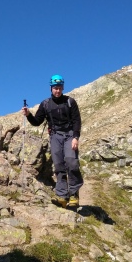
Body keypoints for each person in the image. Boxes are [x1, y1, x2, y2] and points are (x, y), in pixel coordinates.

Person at [22, 75, 83, 209]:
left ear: (63, 88)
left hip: (69, 135)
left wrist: (76, 137)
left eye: (60, 88)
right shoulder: (45, 104)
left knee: (71, 162)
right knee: (59, 165)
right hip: (55, 136)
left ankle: (74, 194)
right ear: (51, 88)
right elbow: (37, 122)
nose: (57, 90)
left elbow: (76, 120)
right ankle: (62, 196)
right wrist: (29, 115)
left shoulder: (70, 102)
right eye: (55, 88)